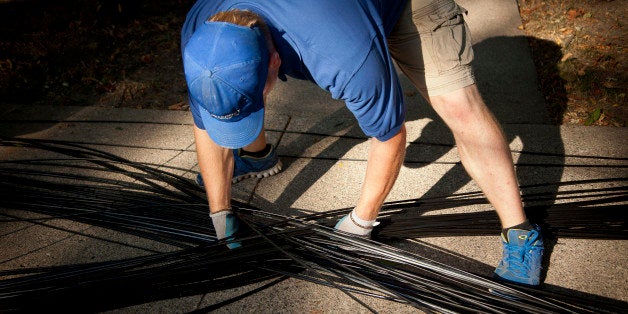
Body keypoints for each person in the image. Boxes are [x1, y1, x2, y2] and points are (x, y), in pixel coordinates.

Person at [181, 0, 544, 286]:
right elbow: (206, 119)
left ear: (276, 60)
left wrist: (360, 222)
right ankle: (257, 156)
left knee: (459, 107)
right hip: (335, 17)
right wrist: (219, 211)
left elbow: (390, 135)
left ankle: (520, 230)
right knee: (239, 98)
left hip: (403, 7)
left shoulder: (343, 57)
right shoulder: (202, 38)